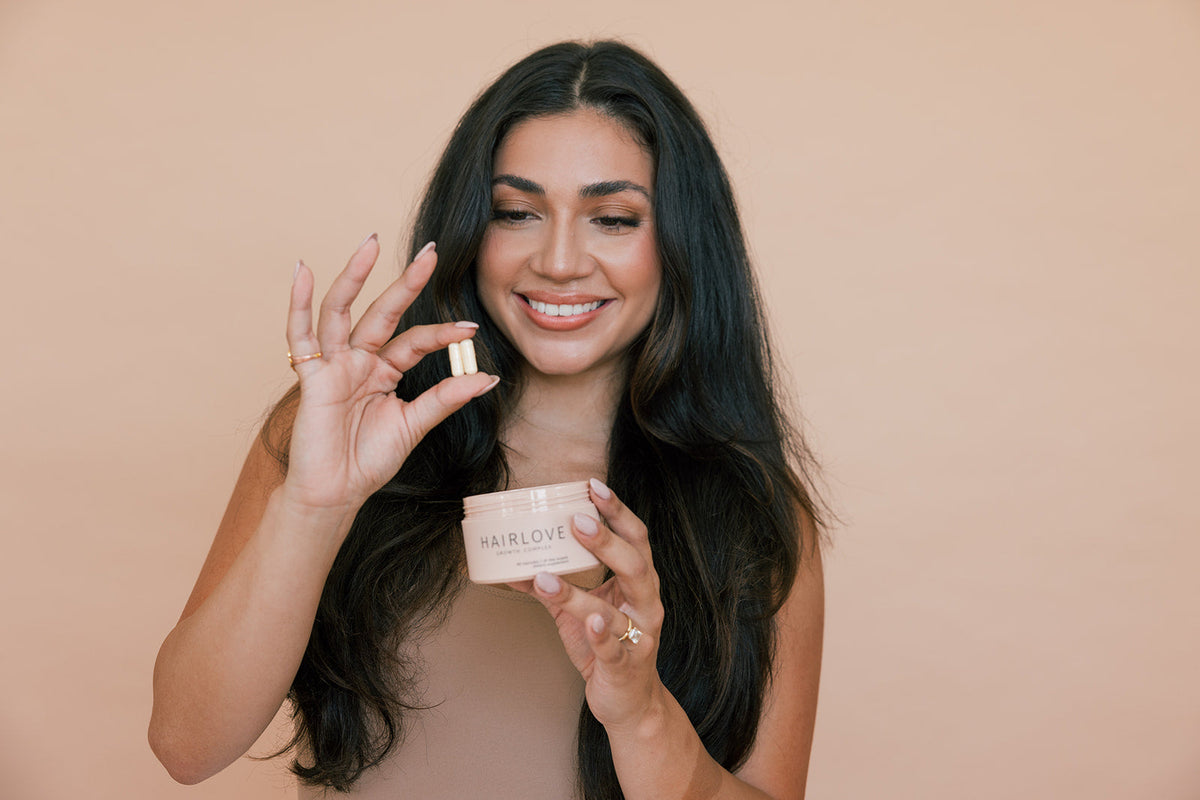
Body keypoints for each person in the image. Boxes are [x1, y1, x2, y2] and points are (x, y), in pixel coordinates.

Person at [149, 40, 826, 800]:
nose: (561, 260)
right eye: (517, 212)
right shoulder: (342, 428)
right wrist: (314, 507)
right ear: (474, 230)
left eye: (612, 217)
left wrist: (639, 710)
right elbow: (184, 744)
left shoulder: (751, 514)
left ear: (680, 245)